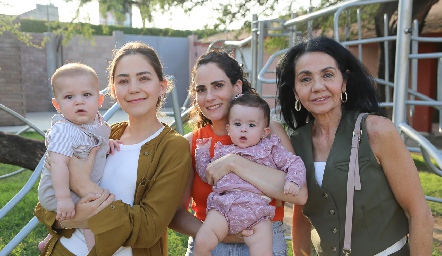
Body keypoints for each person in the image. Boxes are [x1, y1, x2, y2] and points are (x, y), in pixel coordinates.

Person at [276, 36, 434, 256]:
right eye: (305, 79)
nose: (318, 87)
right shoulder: (296, 143)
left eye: (328, 75)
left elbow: (418, 213)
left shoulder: (377, 131)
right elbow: (302, 217)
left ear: (344, 82)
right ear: (294, 91)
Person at [34, 41, 192, 256]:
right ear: (114, 91)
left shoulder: (173, 147)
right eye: (123, 81)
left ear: (162, 86)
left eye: (144, 78)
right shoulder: (102, 133)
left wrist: (81, 184)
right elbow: (45, 205)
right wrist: (70, 217)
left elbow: (148, 229)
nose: (134, 88)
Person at [169, 50, 308, 256]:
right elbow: (176, 213)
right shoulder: (195, 143)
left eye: (218, 86)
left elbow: (300, 195)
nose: (209, 97)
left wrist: (233, 162)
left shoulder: (270, 133)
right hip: (210, 242)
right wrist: (216, 233)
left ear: (237, 86)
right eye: (201, 89)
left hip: (262, 240)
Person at [193, 93, 307, 256]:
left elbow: (294, 162)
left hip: (257, 212)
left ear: (264, 131)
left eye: (252, 125)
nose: (244, 129)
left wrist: (293, 181)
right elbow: (208, 175)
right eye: (237, 124)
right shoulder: (222, 153)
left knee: (263, 251)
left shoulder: (270, 149)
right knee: (202, 241)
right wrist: (202, 153)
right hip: (224, 208)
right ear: (229, 128)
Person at [37, 63, 120, 252]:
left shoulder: (97, 122)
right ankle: (96, 252)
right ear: (57, 105)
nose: (79, 101)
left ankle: (48, 240)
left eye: (86, 95)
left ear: (99, 100)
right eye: (69, 97)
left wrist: (107, 144)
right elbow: (57, 164)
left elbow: (94, 143)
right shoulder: (64, 129)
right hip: (58, 191)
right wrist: (64, 198)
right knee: (91, 217)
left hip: (75, 185)